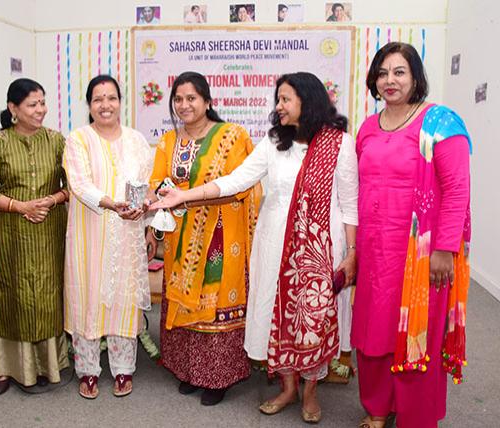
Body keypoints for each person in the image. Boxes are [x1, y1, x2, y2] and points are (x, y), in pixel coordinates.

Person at [151, 72, 357, 422]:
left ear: (308, 101)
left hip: (321, 245)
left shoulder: (340, 143)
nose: (278, 106)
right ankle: (288, 387)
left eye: (285, 99)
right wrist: (185, 194)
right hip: (275, 242)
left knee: (313, 318)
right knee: (277, 313)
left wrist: (352, 254)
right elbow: (236, 180)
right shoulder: (274, 142)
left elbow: (350, 204)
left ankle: (310, 390)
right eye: (278, 99)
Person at [352, 42, 472, 428]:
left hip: (421, 254)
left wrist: (445, 249)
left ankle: (415, 416)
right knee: (374, 329)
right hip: (375, 248)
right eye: (383, 73)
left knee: (415, 330)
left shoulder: (440, 123)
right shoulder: (368, 127)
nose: (390, 80)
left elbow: (457, 190)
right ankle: (377, 406)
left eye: (399, 72)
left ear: (415, 77)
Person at [148, 71, 261, 406]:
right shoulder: (169, 141)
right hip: (180, 237)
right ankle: (191, 371)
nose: (184, 105)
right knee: (184, 301)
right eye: (178, 99)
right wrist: (158, 197)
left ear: (208, 101)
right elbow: (157, 180)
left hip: (221, 235)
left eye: (192, 98)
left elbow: (240, 186)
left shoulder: (232, 136)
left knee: (214, 305)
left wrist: (185, 196)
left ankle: (218, 377)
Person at [63, 75, 155, 399]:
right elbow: (79, 183)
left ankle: (123, 368)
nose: (105, 105)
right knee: (86, 297)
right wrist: (110, 203)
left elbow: (148, 183)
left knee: (123, 300)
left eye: (111, 98)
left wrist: (144, 213)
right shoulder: (78, 139)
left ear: (120, 102)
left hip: (127, 234)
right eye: (98, 99)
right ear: (89, 105)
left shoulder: (136, 140)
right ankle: (87, 370)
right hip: (90, 233)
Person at [0, 78, 69, 395]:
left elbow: (71, 187)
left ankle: (47, 365)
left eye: (42, 102)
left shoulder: (57, 141)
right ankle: (5, 368)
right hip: (12, 231)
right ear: (13, 108)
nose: (40, 109)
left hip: (48, 228)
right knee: (13, 292)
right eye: (32, 104)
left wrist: (50, 201)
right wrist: (21, 207)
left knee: (46, 291)